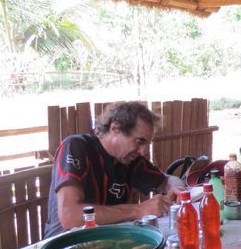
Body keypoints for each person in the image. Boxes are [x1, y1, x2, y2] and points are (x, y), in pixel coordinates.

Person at [43, 101, 185, 238]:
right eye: (139, 141)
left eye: (146, 144)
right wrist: (138, 210)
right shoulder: (77, 147)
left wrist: (178, 190)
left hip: (104, 242)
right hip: (64, 247)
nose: (143, 151)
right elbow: (70, 215)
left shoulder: (131, 161)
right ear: (115, 128)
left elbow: (167, 180)